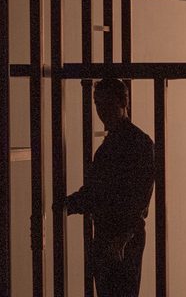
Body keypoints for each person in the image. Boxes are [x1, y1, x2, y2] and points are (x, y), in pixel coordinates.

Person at [61, 79, 155, 297]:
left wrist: (123, 237)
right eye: (97, 105)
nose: (101, 111)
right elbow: (95, 193)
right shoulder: (119, 144)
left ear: (123, 102)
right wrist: (66, 205)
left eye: (105, 104)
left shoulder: (136, 143)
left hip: (121, 237)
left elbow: (139, 196)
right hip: (110, 236)